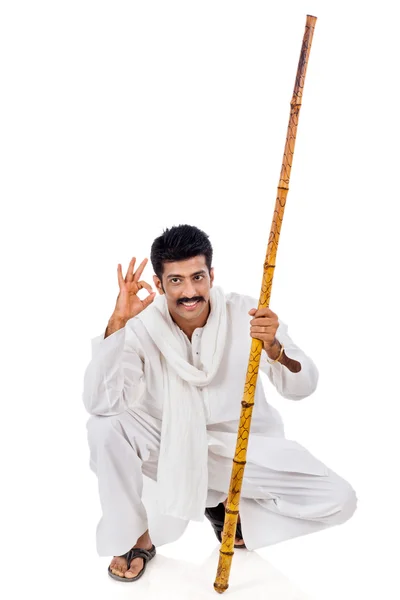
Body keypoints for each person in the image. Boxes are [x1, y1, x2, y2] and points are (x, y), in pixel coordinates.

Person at [82, 224, 357, 583]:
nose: (190, 291)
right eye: (176, 281)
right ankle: (134, 538)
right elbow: (101, 403)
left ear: (211, 274)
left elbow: (302, 387)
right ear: (159, 282)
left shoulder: (247, 314)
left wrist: (275, 348)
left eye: (197, 277)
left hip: (242, 452)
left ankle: (237, 515)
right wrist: (118, 322)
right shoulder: (140, 326)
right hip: (170, 450)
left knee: (340, 499)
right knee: (104, 426)